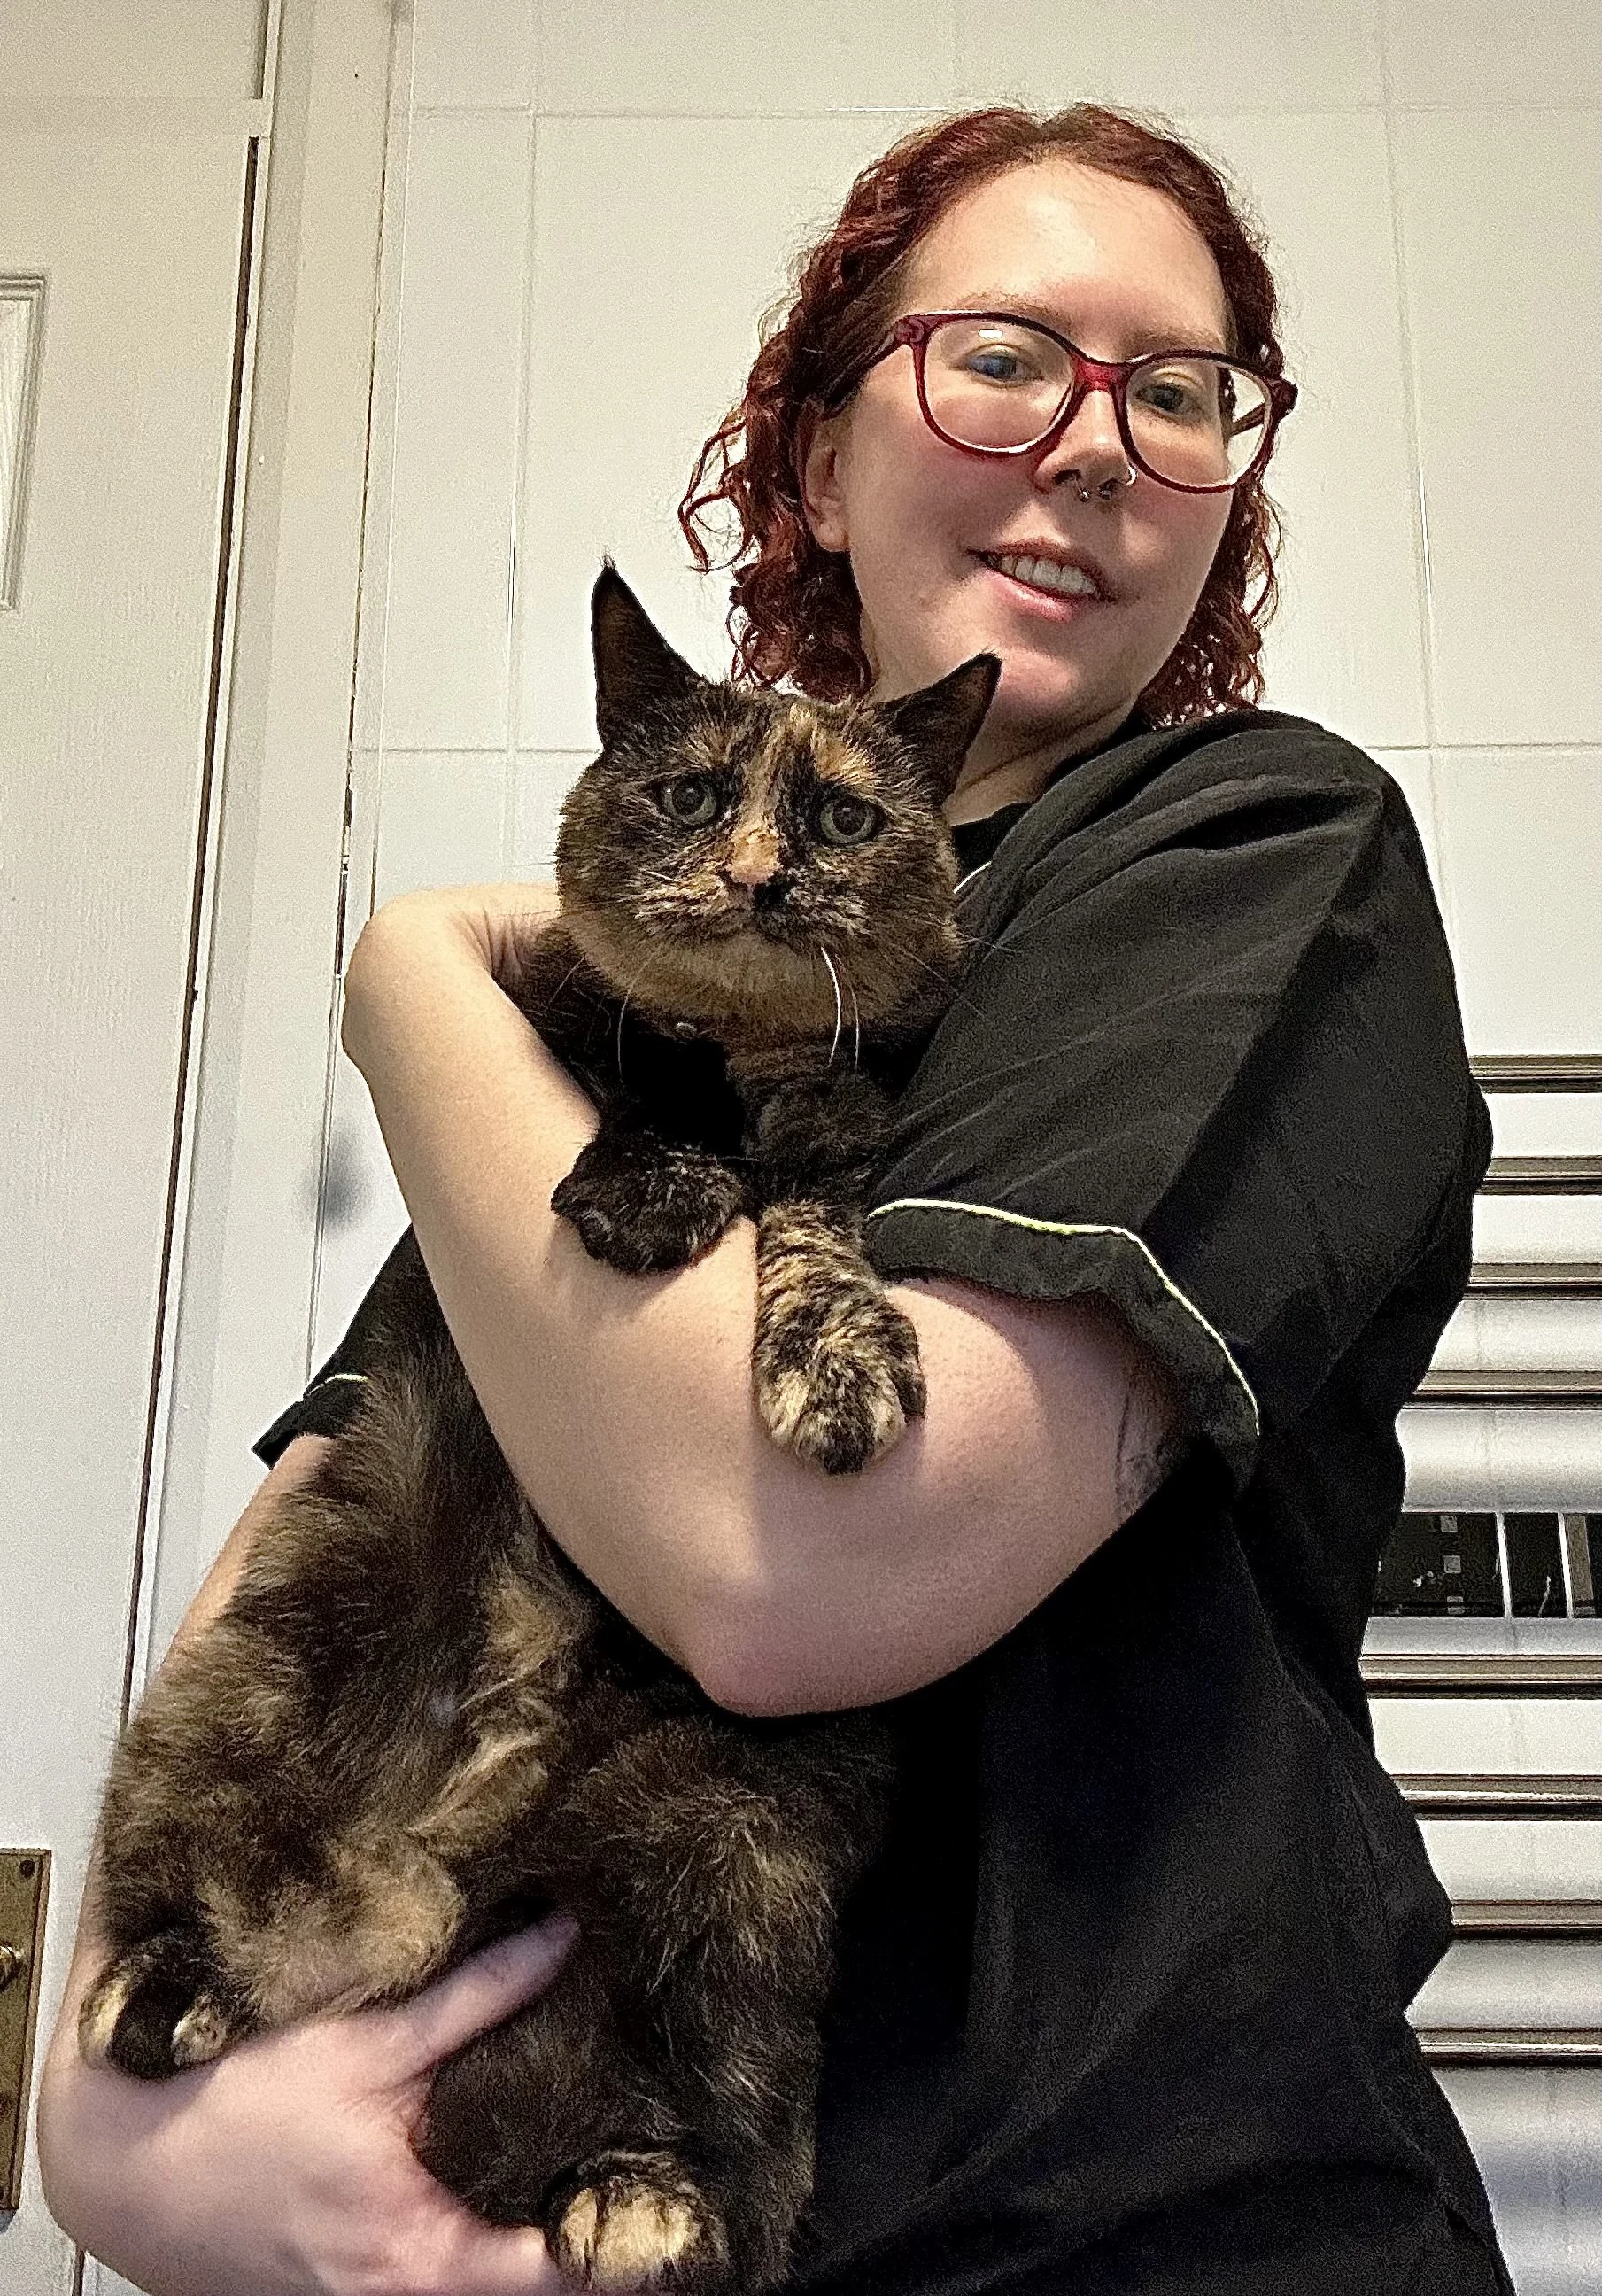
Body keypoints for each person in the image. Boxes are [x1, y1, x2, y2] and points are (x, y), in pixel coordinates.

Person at [39, 103, 1512, 2296]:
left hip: (1130, 2225)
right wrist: (106, 2124)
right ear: (819, 457)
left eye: (1181, 392)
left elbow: (789, 1570)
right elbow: (347, 1513)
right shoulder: (614, 1003)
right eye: (1005, 355)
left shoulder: (1249, 853)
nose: (1095, 445)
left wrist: (406, 971)